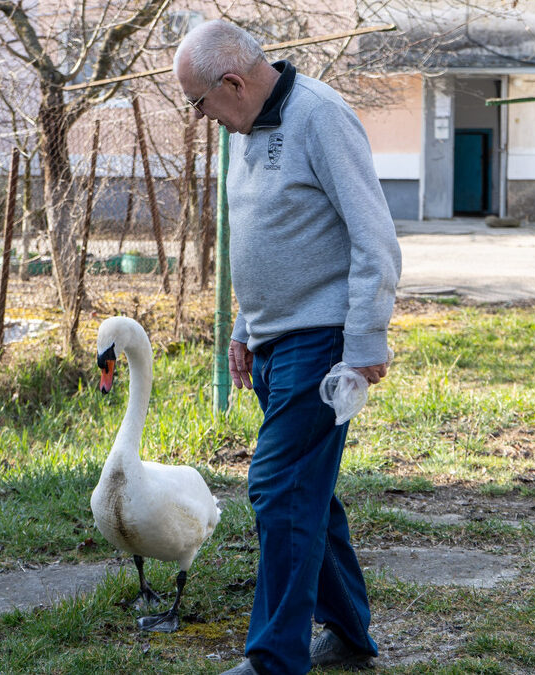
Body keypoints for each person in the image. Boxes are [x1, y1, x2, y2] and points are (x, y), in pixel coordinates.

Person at [174, 19, 401, 675]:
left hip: (323, 345)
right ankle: (352, 635)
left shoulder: (320, 118)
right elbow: (268, 235)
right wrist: (246, 326)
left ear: (234, 83)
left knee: (276, 485)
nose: (202, 117)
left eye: (200, 102)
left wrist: (364, 341)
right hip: (275, 344)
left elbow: (375, 239)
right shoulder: (248, 129)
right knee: (309, 493)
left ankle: (274, 658)